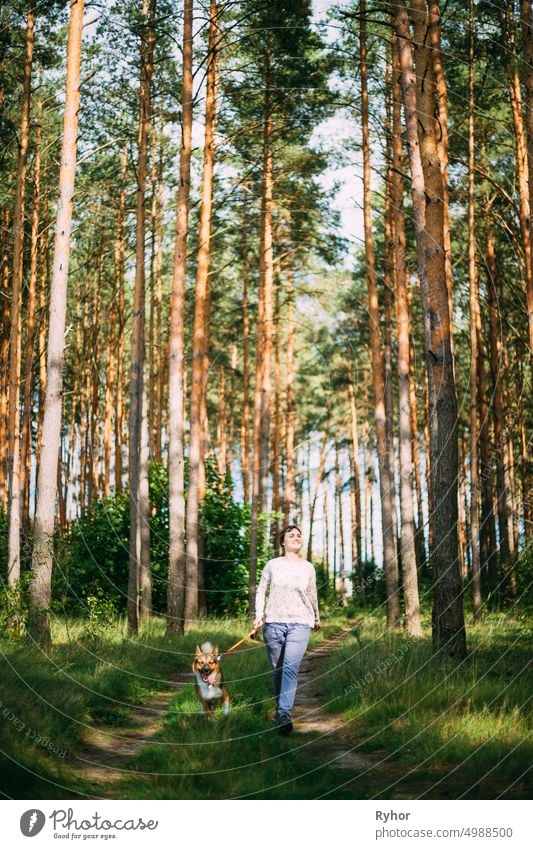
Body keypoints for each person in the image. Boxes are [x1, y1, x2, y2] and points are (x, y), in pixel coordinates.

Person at [252, 524, 320, 734]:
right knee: (278, 670)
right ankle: (280, 708)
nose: (296, 538)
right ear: (282, 542)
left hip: (300, 623)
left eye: (299, 535)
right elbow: (261, 591)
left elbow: (312, 594)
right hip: (273, 623)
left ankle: (283, 715)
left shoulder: (308, 567)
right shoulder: (272, 565)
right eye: (291, 535)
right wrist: (258, 616)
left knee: (290, 668)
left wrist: (316, 617)